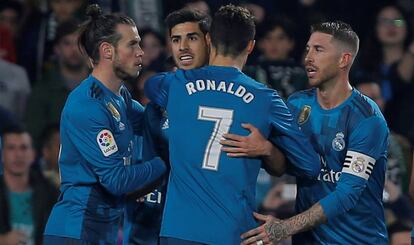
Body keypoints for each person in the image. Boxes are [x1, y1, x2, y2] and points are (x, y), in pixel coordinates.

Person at [145, 5, 320, 244]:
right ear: (250, 46)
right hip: (234, 232)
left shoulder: (176, 84)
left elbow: (150, 86)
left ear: (208, 40)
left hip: (178, 231)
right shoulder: (266, 99)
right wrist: (267, 149)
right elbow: (309, 165)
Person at [240, 21, 389, 245]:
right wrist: (267, 149)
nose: (308, 57)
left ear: (344, 59)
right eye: (308, 49)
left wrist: (285, 227)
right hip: (308, 240)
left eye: (319, 50)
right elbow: (282, 167)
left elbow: (346, 195)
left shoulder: (367, 119)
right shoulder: (297, 105)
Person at [43, 4, 166, 244]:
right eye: (132, 44)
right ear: (107, 51)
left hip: (102, 231)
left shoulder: (120, 96)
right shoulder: (86, 105)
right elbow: (116, 180)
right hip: (76, 230)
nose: (141, 52)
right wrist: (166, 162)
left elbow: (153, 127)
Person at [123, 8, 211, 245]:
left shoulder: (221, 104)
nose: (183, 47)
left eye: (192, 38)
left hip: (203, 218)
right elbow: (151, 157)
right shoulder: (155, 110)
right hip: (153, 220)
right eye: (176, 40)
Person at [0, 126, 59, 245]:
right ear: (2, 154)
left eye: (24, 148)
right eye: (11, 148)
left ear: (33, 154)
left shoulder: (50, 194)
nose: (18, 155)